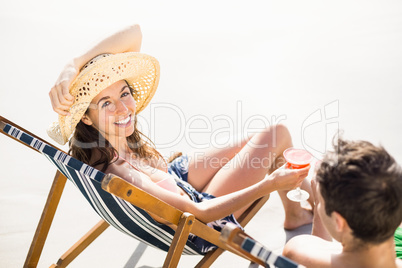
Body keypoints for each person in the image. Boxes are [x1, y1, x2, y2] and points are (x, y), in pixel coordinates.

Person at [48, 24, 313, 253]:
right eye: (106, 103)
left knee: (271, 135)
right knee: (278, 135)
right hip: (202, 221)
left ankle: (296, 212)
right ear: (85, 117)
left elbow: (134, 32)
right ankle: (303, 214)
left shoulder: (108, 146)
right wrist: (269, 184)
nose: (123, 108)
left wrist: (72, 65)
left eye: (124, 93)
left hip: (176, 180)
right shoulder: (124, 175)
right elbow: (201, 215)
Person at [283, 138, 402, 268]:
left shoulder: (297, 250)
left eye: (319, 202)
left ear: (339, 222)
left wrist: (319, 202)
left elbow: (307, 247)